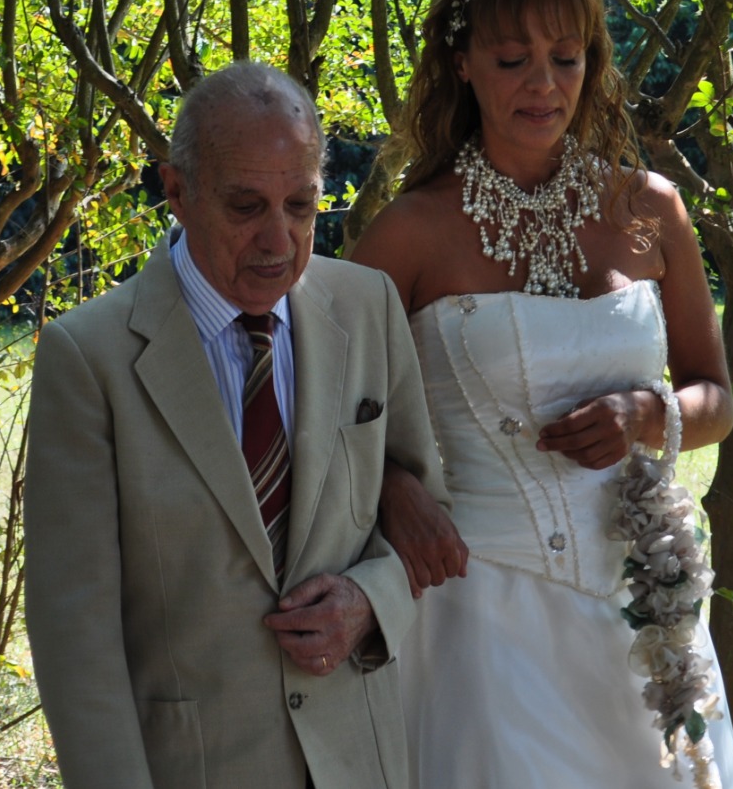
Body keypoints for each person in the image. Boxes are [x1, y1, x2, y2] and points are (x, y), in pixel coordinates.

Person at [350, 0, 733, 789]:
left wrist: (649, 414)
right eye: (511, 58)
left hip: (643, 608)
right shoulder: (411, 231)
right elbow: (320, 405)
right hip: (482, 615)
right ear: (462, 61)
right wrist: (393, 490)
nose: (543, 83)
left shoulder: (651, 210)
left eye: (566, 57)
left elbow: (715, 397)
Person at [26, 62, 449, 789]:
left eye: (301, 206)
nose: (278, 240)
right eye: (247, 206)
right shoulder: (88, 357)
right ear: (177, 192)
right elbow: (76, 636)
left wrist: (368, 603)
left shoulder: (369, 307)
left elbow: (423, 520)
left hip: (360, 759)